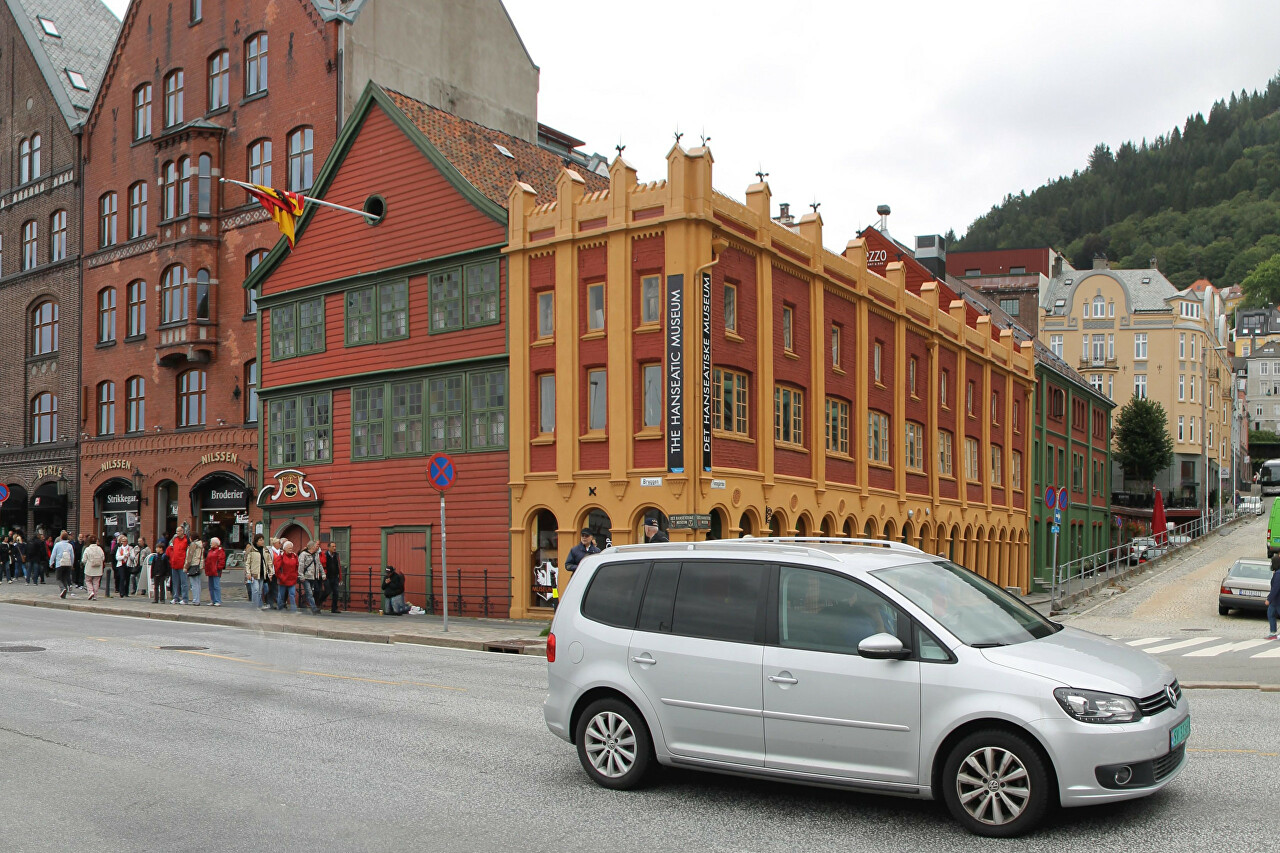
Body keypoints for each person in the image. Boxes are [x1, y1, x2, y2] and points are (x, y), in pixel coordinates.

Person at [298, 541, 324, 615]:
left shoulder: (316, 555)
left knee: (310, 591)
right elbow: (301, 565)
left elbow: (319, 564)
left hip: (313, 576)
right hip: (306, 576)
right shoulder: (303, 554)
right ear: (312, 547)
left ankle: (303, 601)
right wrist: (301, 575)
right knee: (309, 592)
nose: (317, 547)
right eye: (315, 546)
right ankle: (314, 608)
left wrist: (322, 574)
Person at [245, 534, 271, 609]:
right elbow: (247, 562)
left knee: (259, 591)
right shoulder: (251, 550)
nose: (262, 541)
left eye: (263, 539)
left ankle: (258, 605)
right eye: (260, 540)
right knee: (255, 590)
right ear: (256, 541)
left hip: (262, 573)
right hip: (254, 574)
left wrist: (270, 572)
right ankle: (254, 606)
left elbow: (269, 562)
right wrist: (248, 573)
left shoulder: (265, 550)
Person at [273, 541, 300, 613]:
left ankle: (294, 609)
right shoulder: (281, 556)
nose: (291, 549)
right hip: (283, 580)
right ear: (285, 548)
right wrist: (281, 576)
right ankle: (280, 608)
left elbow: (297, 566)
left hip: (292, 579)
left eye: (291, 548)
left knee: (292, 594)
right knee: (281, 595)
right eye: (289, 548)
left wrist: (296, 575)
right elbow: (277, 568)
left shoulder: (294, 556)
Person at [168, 526, 191, 605]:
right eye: (176, 531)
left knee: (184, 583)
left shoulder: (186, 540)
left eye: (178, 531)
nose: (177, 533)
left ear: (182, 531)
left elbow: (189, 552)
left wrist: (187, 563)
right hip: (174, 564)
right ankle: (176, 597)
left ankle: (185, 598)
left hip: (182, 564)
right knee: (175, 582)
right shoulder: (175, 540)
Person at [49, 532, 75, 599]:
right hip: (67, 564)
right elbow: (72, 556)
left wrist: (51, 563)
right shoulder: (70, 545)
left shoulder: (57, 545)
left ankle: (62, 588)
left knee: (58, 578)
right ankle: (64, 594)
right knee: (65, 578)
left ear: (61, 537)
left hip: (59, 564)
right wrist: (71, 564)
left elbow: (53, 554)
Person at [204, 537, 226, 606]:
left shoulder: (220, 550)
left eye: (212, 542)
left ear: (216, 543)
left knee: (216, 586)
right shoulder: (210, 550)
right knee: (211, 586)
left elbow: (221, 561)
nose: (210, 543)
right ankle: (213, 600)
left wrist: (218, 568)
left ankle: (217, 600)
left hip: (216, 571)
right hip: (210, 570)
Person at [321, 542, 342, 614]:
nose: (334, 548)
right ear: (329, 547)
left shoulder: (336, 555)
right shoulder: (325, 555)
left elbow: (338, 565)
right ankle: (319, 602)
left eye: (335, 546)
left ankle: (334, 608)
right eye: (333, 546)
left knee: (336, 592)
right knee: (327, 590)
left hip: (335, 576)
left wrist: (339, 576)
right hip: (328, 576)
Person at [186, 535, 206, 605]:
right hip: (199, 565)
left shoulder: (193, 545)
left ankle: (195, 600)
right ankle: (197, 599)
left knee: (194, 584)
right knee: (198, 583)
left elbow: (190, 557)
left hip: (193, 565)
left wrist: (186, 566)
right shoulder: (200, 545)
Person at [151, 538, 170, 603]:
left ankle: (162, 599)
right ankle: (155, 599)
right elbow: (153, 566)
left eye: (157, 548)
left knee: (162, 587)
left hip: (162, 574)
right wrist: (152, 574)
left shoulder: (164, 557)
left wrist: (167, 573)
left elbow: (167, 565)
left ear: (161, 549)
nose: (156, 549)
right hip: (156, 573)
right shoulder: (155, 557)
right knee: (156, 587)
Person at [1267, 553, 1280, 640]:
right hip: (1276, 600)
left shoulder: (1278, 574)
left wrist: (1269, 599)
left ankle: (1273, 632)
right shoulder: (1277, 573)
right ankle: (1273, 632)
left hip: (1277, 600)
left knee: (1271, 614)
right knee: (1270, 613)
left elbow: (1276, 588)